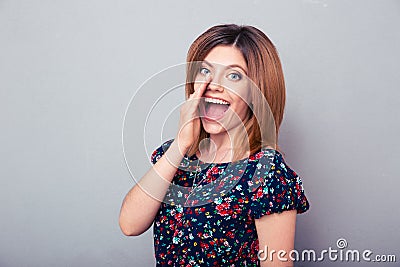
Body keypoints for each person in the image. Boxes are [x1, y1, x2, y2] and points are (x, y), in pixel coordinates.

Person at [119, 24, 310, 266]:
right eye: (205, 71)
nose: (214, 85)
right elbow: (129, 224)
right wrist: (181, 144)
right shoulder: (174, 155)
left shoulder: (267, 174)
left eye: (234, 75)